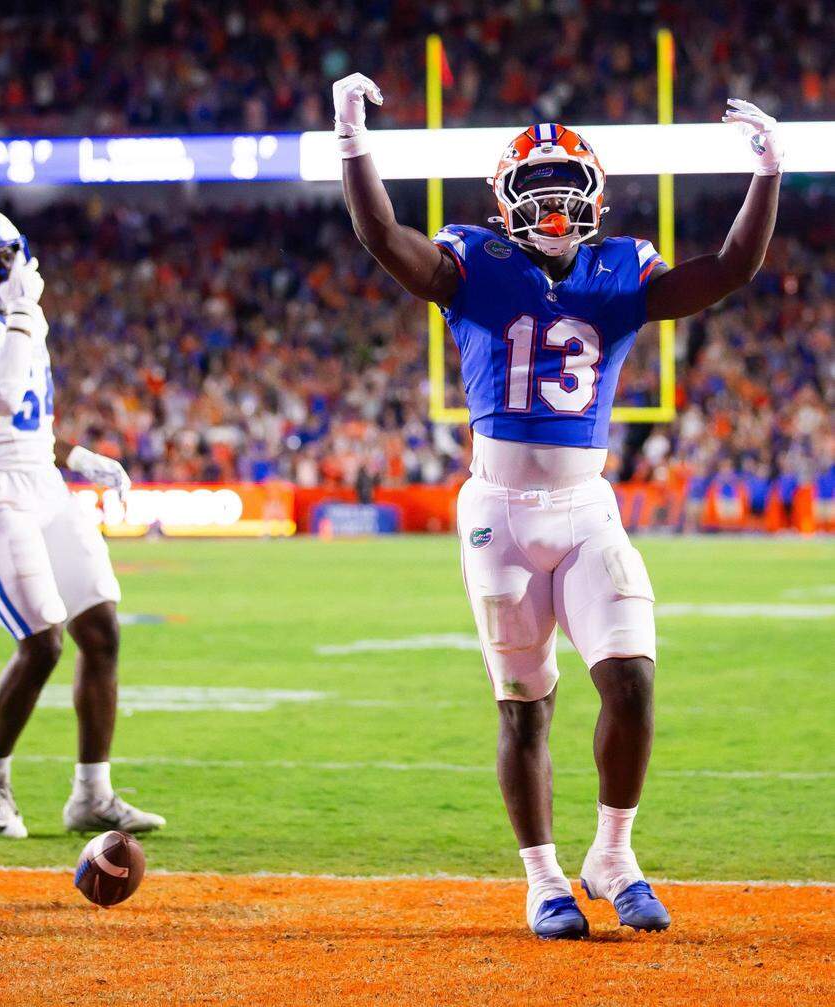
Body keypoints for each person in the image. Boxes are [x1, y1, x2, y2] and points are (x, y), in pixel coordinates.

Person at [333, 73, 781, 938]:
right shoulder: (474, 262)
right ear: (505, 203)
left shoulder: (621, 268)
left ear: (593, 201)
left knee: (633, 679)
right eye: (535, 192)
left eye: (565, 191)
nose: (550, 207)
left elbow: (728, 270)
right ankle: (542, 878)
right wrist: (353, 137)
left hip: (584, 505)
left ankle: (612, 852)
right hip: (498, 512)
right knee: (525, 703)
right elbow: (381, 235)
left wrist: (768, 173)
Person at [0, 207, 164, 838]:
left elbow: (29, 426)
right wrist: (22, 316)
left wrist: (79, 457)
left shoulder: (19, 318)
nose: (10, 271)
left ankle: (91, 794)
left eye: (12, 255)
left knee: (100, 629)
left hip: (42, 484)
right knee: (42, 642)